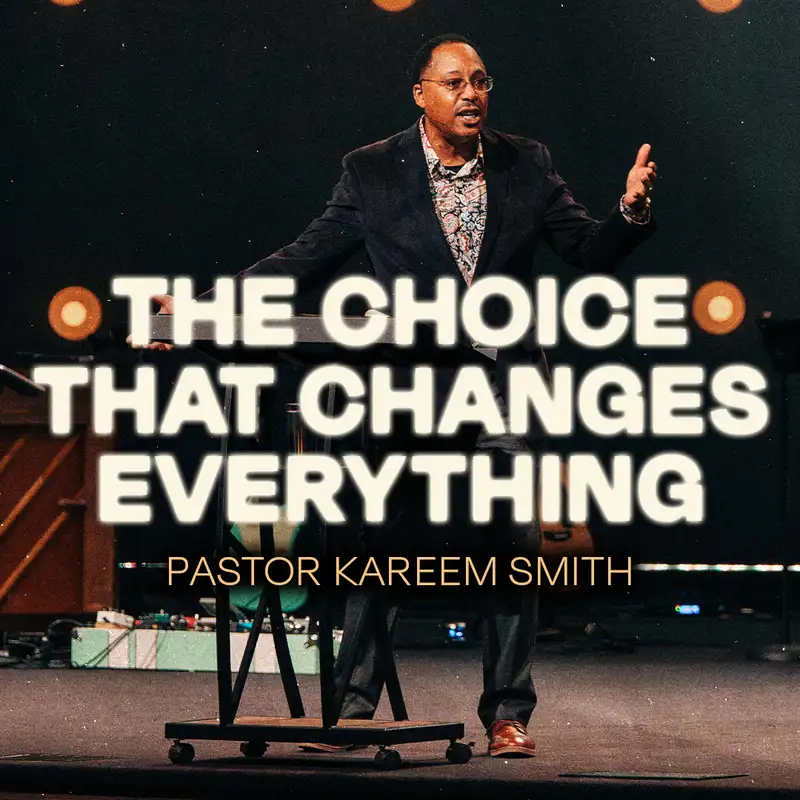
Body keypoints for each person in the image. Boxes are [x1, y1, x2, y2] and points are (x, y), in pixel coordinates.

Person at [141, 33, 657, 757]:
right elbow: (301, 260)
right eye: (454, 82)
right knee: (383, 541)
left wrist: (629, 213)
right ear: (421, 94)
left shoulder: (527, 162)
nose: (472, 94)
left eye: (481, 80)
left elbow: (586, 251)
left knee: (511, 540)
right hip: (413, 387)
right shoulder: (373, 171)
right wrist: (194, 315)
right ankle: (353, 707)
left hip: (504, 383)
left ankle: (508, 714)